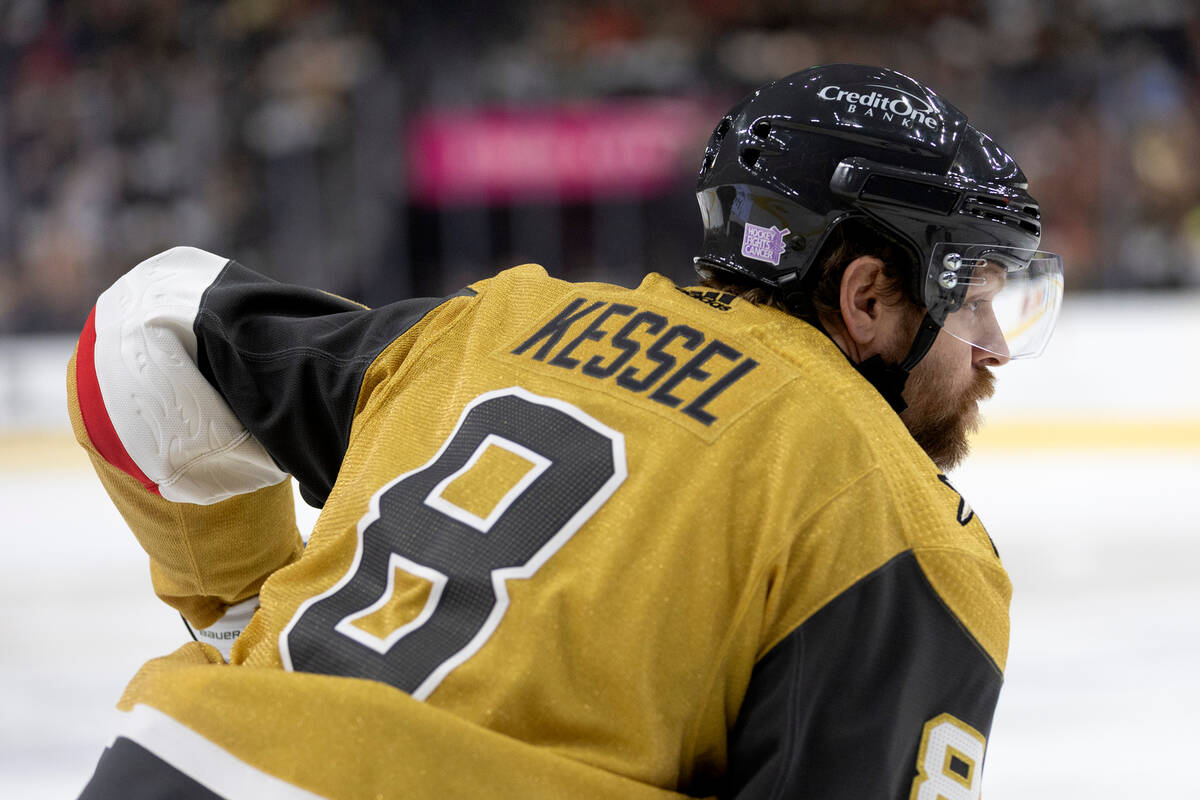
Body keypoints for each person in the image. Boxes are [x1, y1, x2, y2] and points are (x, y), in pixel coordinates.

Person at [68, 64, 1063, 799]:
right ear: (867, 297)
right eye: (972, 300)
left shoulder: (489, 324)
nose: (992, 350)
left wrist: (250, 616)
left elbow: (143, 324)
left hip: (175, 766)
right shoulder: (901, 528)